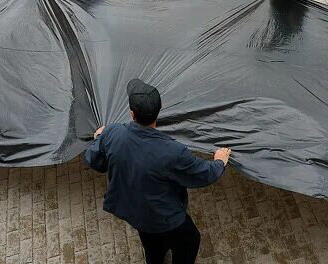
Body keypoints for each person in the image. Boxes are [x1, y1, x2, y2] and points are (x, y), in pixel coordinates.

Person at [85, 78, 231, 264]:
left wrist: (100, 137)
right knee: (190, 241)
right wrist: (219, 162)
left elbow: (94, 160)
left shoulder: (114, 132)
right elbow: (203, 174)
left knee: (152, 246)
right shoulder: (172, 152)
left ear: (131, 114)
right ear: (159, 112)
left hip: (137, 215)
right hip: (166, 219)